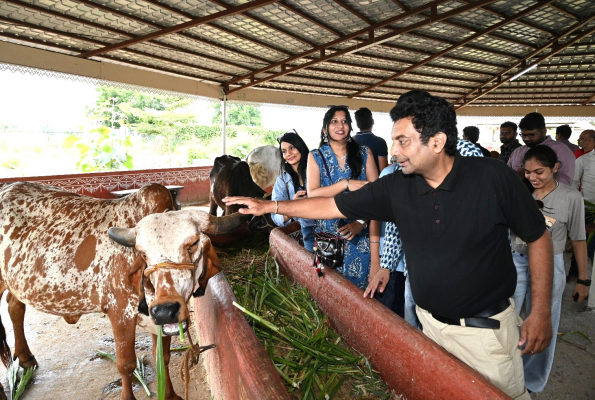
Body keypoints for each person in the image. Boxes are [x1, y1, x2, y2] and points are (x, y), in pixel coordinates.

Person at [224, 90, 553, 399]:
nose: (393, 151)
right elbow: (334, 205)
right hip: (429, 327)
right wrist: (271, 207)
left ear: (437, 142)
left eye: (402, 141)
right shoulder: (398, 184)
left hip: (485, 333)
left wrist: (539, 312)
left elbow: (539, 237)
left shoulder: (493, 179)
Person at [367, 139, 483, 327]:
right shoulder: (403, 168)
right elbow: (397, 221)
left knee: (451, 333)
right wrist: (386, 266)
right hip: (416, 270)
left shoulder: (465, 152)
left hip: (457, 271)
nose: (395, 150)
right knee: (414, 325)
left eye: (402, 139)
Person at [511, 145, 590, 393]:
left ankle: (532, 381)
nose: (533, 177)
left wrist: (583, 280)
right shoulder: (518, 193)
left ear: (555, 168)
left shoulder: (570, 198)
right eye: (527, 172)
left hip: (551, 264)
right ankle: (507, 374)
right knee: (506, 319)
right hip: (515, 260)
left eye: (540, 172)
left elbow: (578, 239)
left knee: (543, 323)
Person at [307, 106, 378, 289]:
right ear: (325, 129)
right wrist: (345, 184)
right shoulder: (315, 156)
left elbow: (378, 196)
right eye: (334, 121)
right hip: (327, 236)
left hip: (359, 238)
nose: (341, 125)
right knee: (324, 289)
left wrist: (361, 223)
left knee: (359, 294)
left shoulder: (364, 153)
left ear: (350, 126)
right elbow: (312, 193)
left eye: (345, 121)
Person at [271, 130, 316, 252]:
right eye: (284, 151)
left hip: (328, 226)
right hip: (307, 230)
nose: (289, 153)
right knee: (313, 265)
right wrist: (292, 206)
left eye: (292, 148)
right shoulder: (282, 180)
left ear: (300, 147)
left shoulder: (316, 170)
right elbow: (276, 217)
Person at [508, 112, 575, 185]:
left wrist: (530, 176)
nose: (526, 139)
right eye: (523, 135)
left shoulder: (560, 150)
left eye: (531, 135)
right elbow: (507, 173)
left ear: (543, 131)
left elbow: (565, 180)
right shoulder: (518, 151)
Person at [353, 107, 388, 173]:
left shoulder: (349, 141)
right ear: (373, 122)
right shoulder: (380, 142)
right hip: (374, 182)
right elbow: (384, 171)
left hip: (353, 182)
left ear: (357, 125)